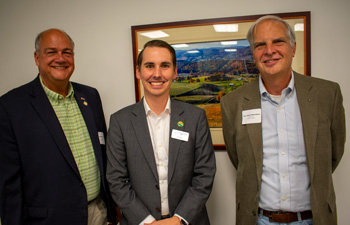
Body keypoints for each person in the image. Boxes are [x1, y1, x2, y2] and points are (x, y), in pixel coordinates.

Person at [221, 15, 346, 225]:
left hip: (313, 219)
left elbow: (333, 155)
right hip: (259, 219)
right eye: (260, 45)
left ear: (293, 48)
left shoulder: (327, 94)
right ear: (253, 54)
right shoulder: (233, 103)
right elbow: (240, 160)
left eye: (278, 42)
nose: (269, 50)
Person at [0, 28, 117, 225]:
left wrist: (112, 206)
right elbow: (8, 184)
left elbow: (103, 154)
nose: (60, 58)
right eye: (51, 52)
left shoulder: (90, 96)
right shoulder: (11, 106)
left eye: (67, 52)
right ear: (37, 58)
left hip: (98, 213)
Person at [106, 40, 216, 225]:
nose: (157, 74)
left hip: (188, 221)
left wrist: (178, 219)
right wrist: (147, 222)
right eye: (149, 66)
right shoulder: (120, 121)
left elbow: (204, 174)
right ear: (138, 72)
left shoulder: (195, 118)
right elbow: (116, 180)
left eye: (164, 66)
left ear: (174, 72)